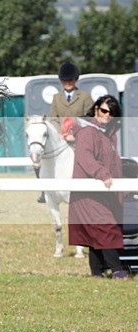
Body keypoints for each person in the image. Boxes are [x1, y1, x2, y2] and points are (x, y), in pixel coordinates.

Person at [68, 94, 130, 280]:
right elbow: (85, 158)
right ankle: (117, 270)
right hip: (88, 192)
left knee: (96, 231)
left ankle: (96, 272)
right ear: (96, 109)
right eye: (104, 110)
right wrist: (102, 174)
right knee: (106, 226)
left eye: (112, 112)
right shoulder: (88, 132)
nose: (107, 115)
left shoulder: (109, 134)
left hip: (104, 191)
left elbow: (113, 163)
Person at [36, 61, 94, 202]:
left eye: (71, 80)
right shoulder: (57, 98)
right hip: (61, 136)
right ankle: (45, 191)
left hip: (80, 136)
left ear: (76, 79)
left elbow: (91, 118)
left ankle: (91, 186)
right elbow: (53, 118)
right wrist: (59, 133)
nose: (68, 82)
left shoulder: (85, 96)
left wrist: (76, 133)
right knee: (41, 156)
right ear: (61, 81)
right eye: (65, 80)